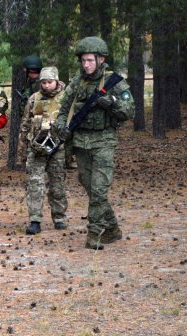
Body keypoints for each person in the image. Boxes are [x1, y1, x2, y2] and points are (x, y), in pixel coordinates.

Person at [55, 36, 135, 250]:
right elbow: (63, 110)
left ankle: (94, 233)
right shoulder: (76, 82)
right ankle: (113, 228)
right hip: (81, 141)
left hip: (104, 140)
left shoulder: (115, 82)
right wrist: (61, 126)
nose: (86, 64)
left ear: (101, 59)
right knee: (90, 186)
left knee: (99, 189)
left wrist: (111, 104)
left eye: (90, 60)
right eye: (83, 61)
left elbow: (129, 112)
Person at [18, 66, 68, 234]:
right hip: (37, 148)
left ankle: (59, 217)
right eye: (43, 82)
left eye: (49, 82)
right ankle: (35, 219)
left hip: (58, 148)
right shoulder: (34, 98)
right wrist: (22, 151)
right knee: (35, 184)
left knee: (57, 184)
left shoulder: (66, 98)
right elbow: (25, 124)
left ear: (56, 81)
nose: (46, 85)